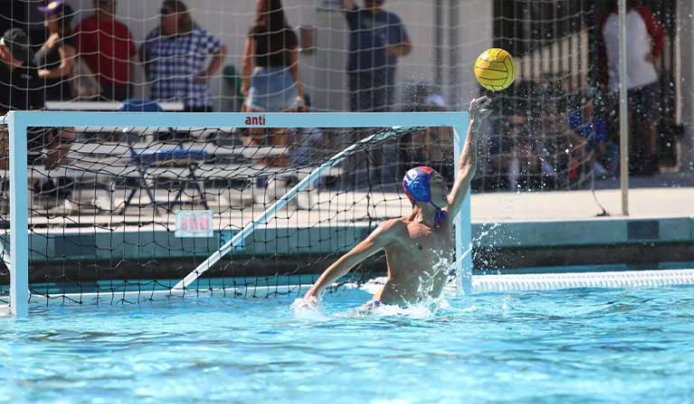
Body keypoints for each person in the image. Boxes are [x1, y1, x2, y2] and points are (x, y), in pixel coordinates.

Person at [303, 96, 491, 307]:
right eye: (437, 182)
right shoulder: (397, 229)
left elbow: (466, 170)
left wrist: (473, 124)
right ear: (420, 190)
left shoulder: (445, 220)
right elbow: (350, 260)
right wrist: (314, 292)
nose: (445, 186)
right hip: (384, 312)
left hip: (424, 315)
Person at [599, 0, 665, 176]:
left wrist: (655, 54)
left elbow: (659, 34)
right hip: (619, 79)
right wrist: (604, 80)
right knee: (624, 121)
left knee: (647, 120)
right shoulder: (607, 20)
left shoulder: (641, 13)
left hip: (644, 77)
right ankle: (625, 159)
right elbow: (602, 52)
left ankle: (649, 159)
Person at [0, 29, 69, 173]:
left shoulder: (30, 66)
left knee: (67, 130)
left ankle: (46, 179)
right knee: (4, 134)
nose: (21, 59)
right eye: (17, 55)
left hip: (27, 122)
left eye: (23, 55)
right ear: (2, 49)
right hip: (3, 124)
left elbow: (38, 103)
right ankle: (9, 185)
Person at [141, 0, 227, 112]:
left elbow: (221, 49)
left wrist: (208, 74)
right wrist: (150, 74)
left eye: (166, 11)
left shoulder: (197, 35)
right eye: (161, 11)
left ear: (179, 15)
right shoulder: (155, 36)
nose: (162, 15)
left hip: (193, 103)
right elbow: (142, 52)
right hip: (162, 103)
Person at [241, 0, 305, 146]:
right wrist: (300, 96)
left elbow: (246, 62)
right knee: (280, 144)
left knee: (254, 139)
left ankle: (259, 164)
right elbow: (294, 68)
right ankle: (279, 166)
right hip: (284, 88)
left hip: (261, 86)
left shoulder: (256, 30)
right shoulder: (289, 33)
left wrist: (245, 88)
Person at [340, 0, 411, 112]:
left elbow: (407, 48)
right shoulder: (356, 15)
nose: (371, 5)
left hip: (384, 79)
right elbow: (345, 2)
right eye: (368, 2)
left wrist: (394, 50)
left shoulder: (392, 19)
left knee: (381, 120)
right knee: (360, 119)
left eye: (375, 2)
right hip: (359, 78)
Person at [75, 0, 137, 101]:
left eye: (114, 3)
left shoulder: (123, 29)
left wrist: (130, 85)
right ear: (96, 4)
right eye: (108, 3)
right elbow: (77, 60)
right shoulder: (85, 27)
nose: (112, 7)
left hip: (122, 88)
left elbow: (130, 59)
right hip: (98, 88)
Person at [35, 1, 77, 102]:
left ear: (60, 18)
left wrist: (39, 74)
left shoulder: (64, 39)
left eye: (49, 14)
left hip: (58, 98)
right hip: (45, 95)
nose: (46, 16)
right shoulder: (52, 37)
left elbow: (66, 69)